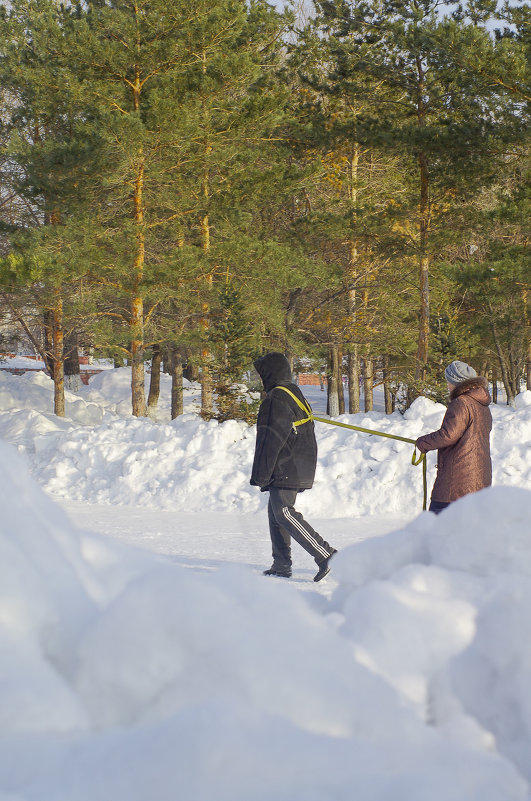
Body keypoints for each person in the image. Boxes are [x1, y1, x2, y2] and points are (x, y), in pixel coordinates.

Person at [250, 352, 337, 582]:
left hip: (287, 464)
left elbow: (270, 440)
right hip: (298, 462)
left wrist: (261, 474)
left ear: (270, 374)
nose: (260, 380)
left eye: (262, 374)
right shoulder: (292, 392)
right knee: (275, 513)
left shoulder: (276, 398)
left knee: (285, 513)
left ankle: (326, 554)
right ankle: (281, 564)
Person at [415, 360, 492, 514]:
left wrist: (423, 442)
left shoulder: (461, 402)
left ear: (456, 382)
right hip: (479, 476)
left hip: (458, 479)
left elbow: (449, 435)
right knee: (465, 528)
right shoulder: (482, 405)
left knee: (437, 524)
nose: (447, 385)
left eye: (448, 381)